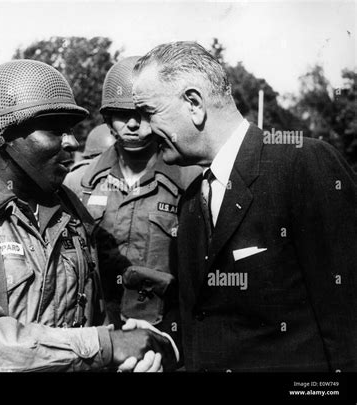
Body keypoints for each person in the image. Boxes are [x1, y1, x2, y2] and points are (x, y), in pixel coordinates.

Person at [0, 59, 177, 372]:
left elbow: (88, 310)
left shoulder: (69, 207)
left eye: (70, 130)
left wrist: (128, 344)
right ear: (3, 136)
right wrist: (104, 345)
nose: (72, 142)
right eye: (54, 130)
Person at [132, 41, 357, 371]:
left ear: (194, 103)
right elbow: (202, 316)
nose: (145, 130)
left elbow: (348, 320)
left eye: (149, 113)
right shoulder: (192, 200)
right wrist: (162, 343)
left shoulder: (302, 165)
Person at [64, 57, 199, 348]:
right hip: (97, 336)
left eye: (142, 113)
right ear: (107, 119)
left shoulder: (190, 182)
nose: (134, 124)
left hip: (166, 336)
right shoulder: (79, 183)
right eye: (122, 114)